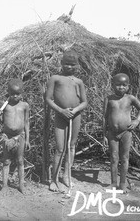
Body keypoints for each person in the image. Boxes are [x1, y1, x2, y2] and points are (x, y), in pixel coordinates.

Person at [45, 50, 88, 192]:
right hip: (60, 116)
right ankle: (54, 180)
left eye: (72, 65)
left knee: (71, 146)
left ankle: (66, 176)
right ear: (61, 64)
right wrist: (61, 110)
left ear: (76, 66)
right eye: (66, 64)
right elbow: (48, 99)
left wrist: (75, 111)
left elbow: (84, 102)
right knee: (59, 148)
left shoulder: (78, 82)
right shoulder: (55, 78)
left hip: (75, 116)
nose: (69, 67)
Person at [103, 73, 140, 193]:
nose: (121, 87)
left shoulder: (130, 98)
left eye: (124, 85)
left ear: (128, 86)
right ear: (113, 85)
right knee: (114, 158)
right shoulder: (109, 99)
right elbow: (104, 117)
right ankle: (113, 183)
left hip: (126, 132)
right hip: (112, 133)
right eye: (118, 85)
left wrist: (136, 121)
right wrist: (104, 134)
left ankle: (122, 184)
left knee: (125, 158)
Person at [0, 79, 30, 194]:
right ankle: (5, 185)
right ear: (8, 93)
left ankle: (21, 185)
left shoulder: (25, 106)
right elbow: (2, 121)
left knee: (20, 161)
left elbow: (26, 122)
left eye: (18, 94)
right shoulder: (5, 106)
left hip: (20, 136)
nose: (15, 96)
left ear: (22, 93)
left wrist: (27, 139)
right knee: (6, 161)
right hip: (7, 137)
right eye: (12, 94)